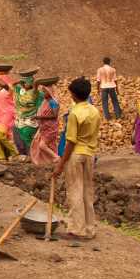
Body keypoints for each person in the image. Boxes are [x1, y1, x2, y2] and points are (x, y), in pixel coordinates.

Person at [52, 77, 101, 239]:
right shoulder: (94, 111)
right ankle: (89, 228)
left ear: (73, 94)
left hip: (76, 154)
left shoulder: (74, 114)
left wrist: (60, 164)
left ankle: (76, 229)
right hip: (89, 154)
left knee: (75, 191)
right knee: (87, 190)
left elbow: (71, 141)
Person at [29, 81, 60, 166]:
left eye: (44, 91)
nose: (43, 93)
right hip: (44, 127)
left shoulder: (53, 102)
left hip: (51, 128)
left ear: (50, 92)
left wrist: (39, 118)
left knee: (42, 145)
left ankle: (56, 157)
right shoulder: (45, 101)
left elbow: (54, 115)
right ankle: (49, 160)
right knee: (45, 144)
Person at [11, 71, 42, 155]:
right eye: (23, 82)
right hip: (19, 118)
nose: (24, 84)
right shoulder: (20, 90)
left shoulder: (35, 92)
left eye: (26, 82)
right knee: (17, 137)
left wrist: (32, 80)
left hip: (30, 119)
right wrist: (20, 80)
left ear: (31, 82)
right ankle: (23, 154)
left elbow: (37, 83)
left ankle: (31, 155)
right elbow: (12, 85)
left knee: (27, 136)